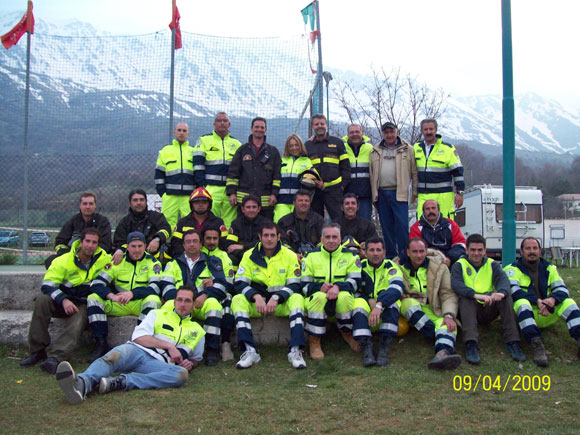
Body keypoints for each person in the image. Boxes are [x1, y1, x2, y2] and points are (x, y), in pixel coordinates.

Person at [55, 287, 205, 405]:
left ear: (193, 304)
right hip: (137, 351)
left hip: (158, 364)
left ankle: (119, 382)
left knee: (181, 375)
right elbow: (139, 337)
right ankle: (82, 383)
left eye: (187, 301)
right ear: (174, 301)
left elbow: (196, 359)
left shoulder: (197, 330)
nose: (183, 304)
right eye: (179, 300)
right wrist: (169, 346)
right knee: (112, 357)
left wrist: (190, 363)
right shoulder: (157, 314)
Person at [20, 228, 111, 374]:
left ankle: (56, 357)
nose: (90, 245)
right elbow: (47, 285)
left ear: (98, 245)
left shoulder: (105, 260)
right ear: (80, 242)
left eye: (94, 242)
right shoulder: (63, 260)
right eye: (87, 241)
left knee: (81, 314)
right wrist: (63, 300)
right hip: (61, 301)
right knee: (41, 301)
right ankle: (37, 351)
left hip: (82, 303)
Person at [231, 223, 307, 369]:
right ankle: (250, 350)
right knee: (237, 299)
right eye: (266, 235)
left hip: (280, 304)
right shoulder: (249, 255)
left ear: (279, 237)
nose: (269, 239)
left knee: (297, 298)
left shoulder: (289, 255)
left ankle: (295, 351)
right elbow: (239, 282)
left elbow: (295, 284)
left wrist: (277, 297)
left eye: (273, 235)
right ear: (260, 237)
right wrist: (255, 296)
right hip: (257, 304)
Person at [86, 232, 163, 363]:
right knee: (93, 298)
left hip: (138, 303)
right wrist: (111, 296)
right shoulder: (116, 261)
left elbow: (155, 287)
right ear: (127, 247)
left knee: (154, 300)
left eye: (140, 246)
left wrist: (132, 293)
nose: (137, 250)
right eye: (133, 246)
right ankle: (100, 343)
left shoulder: (153, 263)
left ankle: (141, 344)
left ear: (145, 245)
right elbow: (97, 284)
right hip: (118, 303)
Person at [504, 237, 580, 367]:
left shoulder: (550, 268)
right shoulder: (511, 269)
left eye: (535, 248)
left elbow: (562, 289)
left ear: (540, 251)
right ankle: (536, 344)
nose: (532, 251)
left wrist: (552, 300)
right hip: (527, 314)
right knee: (521, 302)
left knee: (569, 302)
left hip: (548, 311)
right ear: (521, 251)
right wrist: (537, 301)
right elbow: (513, 290)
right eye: (528, 248)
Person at [451, 234, 525, 365]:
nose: (476, 253)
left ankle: (513, 341)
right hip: (468, 309)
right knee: (466, 298)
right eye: (473, 250)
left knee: (506, 298)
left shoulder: (493, 264)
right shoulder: (459, 265)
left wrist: (501, 293)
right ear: (467, 250)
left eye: (480, 250)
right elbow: (456, 285)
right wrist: (475, 295)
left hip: (488, 307)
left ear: (485, 250)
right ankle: (471, 343)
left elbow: (504, 281)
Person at [160, 229, 227, 366]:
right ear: (183, 245)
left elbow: (222, 286)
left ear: (201, 243)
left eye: (195, 241)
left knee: (214, 305)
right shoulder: (173, 263)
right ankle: (166, 349)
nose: (192, 245)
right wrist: (184, 300)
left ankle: (211, 350)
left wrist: (206, 294)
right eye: (188, 242)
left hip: (201, 303)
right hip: (181, 305)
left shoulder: (212, 262)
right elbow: (166, 288)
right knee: (167, 306)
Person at [394, 238, 462, 370]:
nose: (418, 255)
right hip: (412, 308)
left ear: (426, 251)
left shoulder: (439, 268)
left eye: (421, 251)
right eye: (414, 252)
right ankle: (434, 334)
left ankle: (442, 354)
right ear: (407, 252)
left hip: (434, 307)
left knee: (447, 324)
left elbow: (447, 293)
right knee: (407, 303)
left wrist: (449, 314)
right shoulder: (396, 267)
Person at [301, 223, 361, 360]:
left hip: (340, 295)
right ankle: (314, 340)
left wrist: (339, 286)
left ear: (340, 239)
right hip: (318, 297)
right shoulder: (310, 256)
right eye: (327, 237)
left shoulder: (351, 256)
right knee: (319, 297)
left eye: (335, 237)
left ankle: (346, 333)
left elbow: (356, 283)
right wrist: (319, 287)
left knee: (345, 297)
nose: (331, 240)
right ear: (321, 239)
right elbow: (304, 285)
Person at [351, 237, 405, 367]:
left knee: (393, 303)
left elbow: (396, 289)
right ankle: (366, 348)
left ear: (384, 253)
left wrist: (379, 304)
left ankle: (384, 348)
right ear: (365, 252)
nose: (375, 253)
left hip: (383, 310)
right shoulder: (359, 267)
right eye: (372, 250)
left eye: (378, 250)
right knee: (357, 303)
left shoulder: (391, 267)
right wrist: (367, 299)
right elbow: (353, 290)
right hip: (367, 312)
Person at [370, 122, 417, 259]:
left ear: (397, 132)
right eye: (386, 132)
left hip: (400, 193)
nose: (389, 135)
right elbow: (372, 174)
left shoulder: (408, 149)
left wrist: (414, 192)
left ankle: (404, 256)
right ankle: (391, 257)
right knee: (386, 228)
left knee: (402, 227)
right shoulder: (375, 150)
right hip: (382, 194)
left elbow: (414, 172)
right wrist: (374, 196)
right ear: (382, 134)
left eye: (392, 132)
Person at [226, 117, 282, 221]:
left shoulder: (273, 152)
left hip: (266, 203)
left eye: (262, 127)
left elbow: (277, 176)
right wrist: (232, 193)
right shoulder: (242, 150)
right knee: (243, 230)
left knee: (265, 231)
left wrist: (274, 194)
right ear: (251, 128)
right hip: (244, 203)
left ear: (265, 130)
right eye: (256, 127)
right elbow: (233, 173)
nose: (259, 129)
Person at [193, 112, 242, 227]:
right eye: (219, 121)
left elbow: (240, 169)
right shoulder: (204, 140)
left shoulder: (237, 144)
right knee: (209, 220)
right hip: (211, 188)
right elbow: (198, 165)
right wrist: (202, 186)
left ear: (229, 124)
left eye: (225, 121)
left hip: (229, 190)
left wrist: (234, 189)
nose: (222, 123)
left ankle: (227, 243)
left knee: (229, 222)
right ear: (214, 124)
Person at [414, 118, 464, 220]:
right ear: (422, 131)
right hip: (423, 195)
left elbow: (458, 172)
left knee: (445, 226)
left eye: (431, 129)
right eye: (426, 129)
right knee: (421, 227)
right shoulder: (416, 148)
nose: (428, 132)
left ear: (436, 130)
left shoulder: (448, 149)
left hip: (443, 196)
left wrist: (460, 193)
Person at [47, 191, 111, 268]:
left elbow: (106, 245)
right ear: (80, 206)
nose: (88, 207)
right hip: (73, 258)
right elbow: (60, 241)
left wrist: (87, 254)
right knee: (50, 261)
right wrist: (67, 255)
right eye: (85, 204)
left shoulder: (103, 221)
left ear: (95, 206)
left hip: (95, 258)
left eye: (91, 204)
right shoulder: (73, 221)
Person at [305, 114, 351, 220]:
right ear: (312, 127)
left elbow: (346, 167)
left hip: (335, 191)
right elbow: (304, 169)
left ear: (326, 125)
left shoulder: (337, 143)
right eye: (316, 124)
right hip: (315, 191)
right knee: (315, 222)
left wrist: (342, 187)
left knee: (340, 220)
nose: (319, 126)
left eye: (322, 123)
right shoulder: (307, 145)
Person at [201, 226, 236, 362]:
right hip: (199, 295)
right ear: (202, 240)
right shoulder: (197, 253)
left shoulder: (223, 256)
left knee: (228, 301)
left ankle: (226, 343)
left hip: (219, 292)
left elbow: (229, 282)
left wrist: (214, 283)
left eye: (215, 238)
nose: (211, 241)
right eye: (208, 238)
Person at [111, 189, 171, 265]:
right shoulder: (125, 222)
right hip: (131, 261)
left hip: (154, 259)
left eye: (141, 200)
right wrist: (120, 250)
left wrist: (157, 239)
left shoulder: (156, 216)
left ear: (146, 201)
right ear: (130, 203)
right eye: (135, 200)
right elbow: (119, 241)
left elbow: (166, 229)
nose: (139, 203)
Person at [155, 122, 195, 229]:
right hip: (170, 196)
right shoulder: (165, 151)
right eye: (179, 130)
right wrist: (163, 194)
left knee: (190, 225)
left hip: (188, 197)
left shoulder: (194, 151)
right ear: (174, 132)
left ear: (188, 134)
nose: (181, 133)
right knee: (167, 225)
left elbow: (198, 174)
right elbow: (159, 174)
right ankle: (168, 245)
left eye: (184, 131)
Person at [168, 187, 228, 258]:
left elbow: (224, 243)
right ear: (191, 205)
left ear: (209, 204)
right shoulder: (183, 222)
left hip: (212, 258)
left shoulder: (218, 222)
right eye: (197, 202)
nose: (200, 205)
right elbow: (176, 243)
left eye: (204, 202)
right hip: (188, 258)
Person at [409, 199, 466, 266]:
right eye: (427, 209)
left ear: (438, 210)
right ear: (423, 212)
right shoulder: (416, 227)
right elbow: (415, 249)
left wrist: (450, 258)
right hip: (426, 263)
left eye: (433, 208)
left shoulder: (450, 224)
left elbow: (460, 245)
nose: (431, 211)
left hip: (449, 262)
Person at [273, 134, 313, 222]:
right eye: (291, 145)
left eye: (296, 145)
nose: (294, 148)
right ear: (287, 147)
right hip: (282, 201)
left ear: (301, 145)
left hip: (299, 202)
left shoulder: (307, 162)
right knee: (280, 226)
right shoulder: (281, 161)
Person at [224, 195, 270, 265]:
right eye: (248, 207)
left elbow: (266, 243)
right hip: (240, 255)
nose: (251, 210)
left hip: (260, 255)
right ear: (242, 209)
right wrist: (243, 253)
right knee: (230, 258)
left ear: (259, 209)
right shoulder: (236, 224)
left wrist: (243, 247)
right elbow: (230, 245)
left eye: (254, 207)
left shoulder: (266, 224)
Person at [278, 190, 325, 255]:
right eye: (300, 200)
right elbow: (281, 242)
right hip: (291, 257)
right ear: (294, 203)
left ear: (310, 203)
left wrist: (314, 254)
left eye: (306, 201)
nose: (303, 203)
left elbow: (324, 240)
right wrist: (294, 255)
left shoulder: (319, 220)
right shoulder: (284, 221)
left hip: (316, 257)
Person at [343, 124, 373, 220]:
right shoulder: (342, 148)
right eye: (351, 132)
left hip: (365, 196)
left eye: (357, 132)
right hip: (346, 195)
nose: (354, 134)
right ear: (347, 135)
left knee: (365, 225)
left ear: (362, 133)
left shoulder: (370, 148)